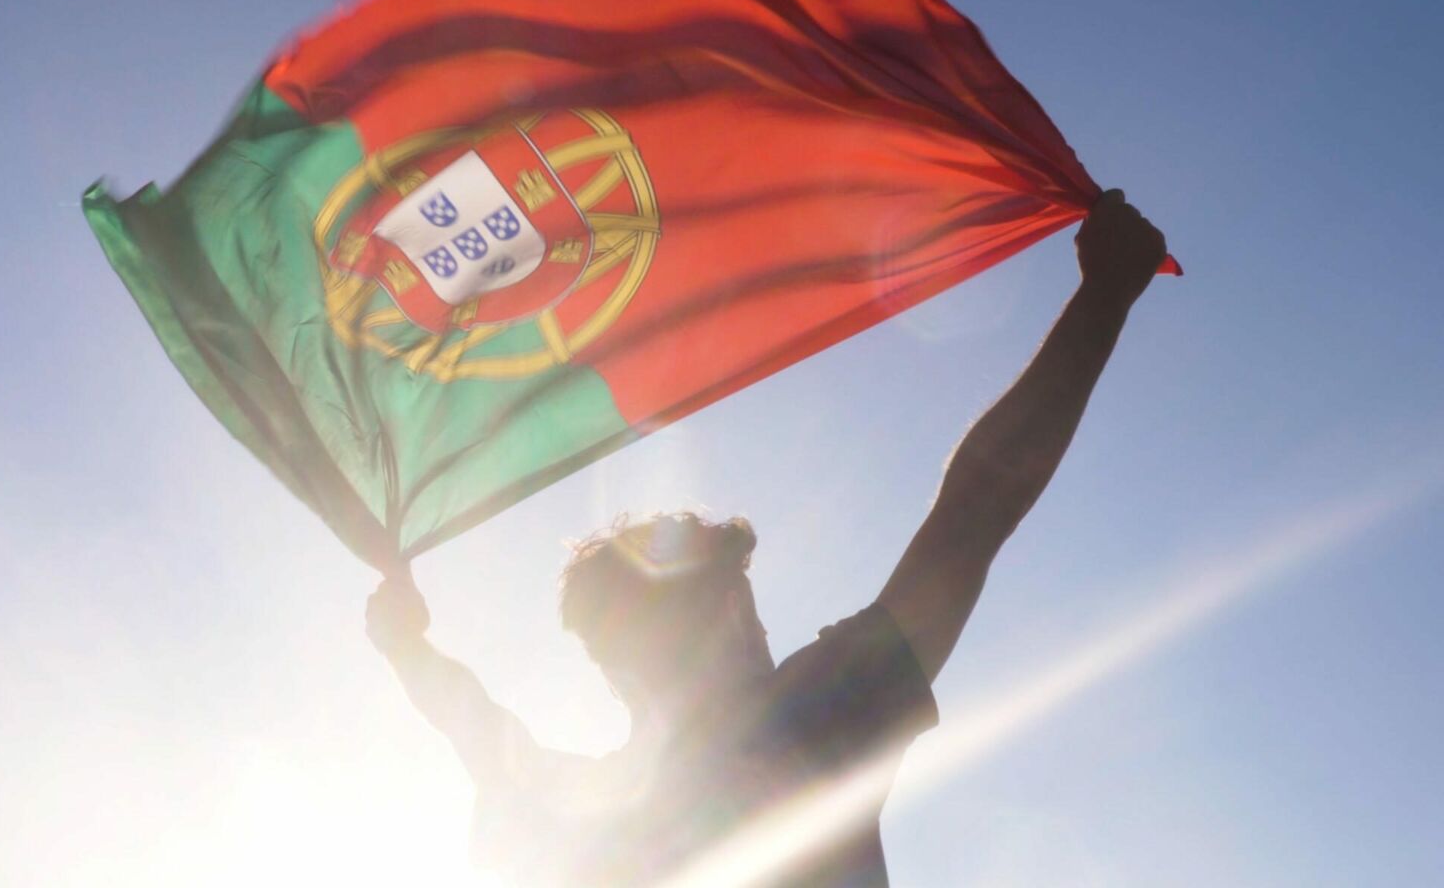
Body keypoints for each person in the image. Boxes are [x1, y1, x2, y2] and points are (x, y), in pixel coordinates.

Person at [366, 191, 1168, 886]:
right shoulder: (813, 713)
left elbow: (472, 723)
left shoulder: (580, 807)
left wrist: (408, 652)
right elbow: (976, 511)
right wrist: (1102, 300)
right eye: (738, 605)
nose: (757, 626)